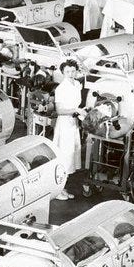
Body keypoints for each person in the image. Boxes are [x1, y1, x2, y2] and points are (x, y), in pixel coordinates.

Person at [52, 59, 84, 201]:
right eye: (67, 72)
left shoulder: (77, 84)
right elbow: (59, 110)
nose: (71, 74)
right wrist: (75, 110)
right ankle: (56, 190)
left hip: (73, 123)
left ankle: (62, 188)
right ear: (63, 73)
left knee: (71, 157)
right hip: (65, 124)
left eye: (73, 71)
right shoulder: (61, 89)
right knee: (64, 157)